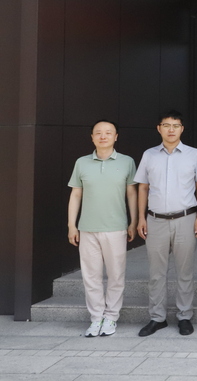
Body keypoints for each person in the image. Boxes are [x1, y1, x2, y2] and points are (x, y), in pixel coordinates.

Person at [135, 110, 197, 337]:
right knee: (156, 273)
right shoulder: (149, 155)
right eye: (166, 125)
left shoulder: (194, 154)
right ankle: (157, 318)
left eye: (175, 126)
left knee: (184, 271)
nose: (171, 129)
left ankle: (184, 316)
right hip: (155, 220)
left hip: (185, 219)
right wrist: (141, 218)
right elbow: (143, 188)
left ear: (182, 129)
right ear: (159, 128)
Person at [67, 120, 138, 337]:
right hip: (87, 228)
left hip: (116, 228)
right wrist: (72, 225)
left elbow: (132, 194)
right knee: (91, 276)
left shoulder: (127, 162)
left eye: (108, 132)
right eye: (98, 133)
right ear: (92, 137)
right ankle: (96, 318)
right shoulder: (82, 163)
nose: (103, 136)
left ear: (116, 137)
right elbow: (76, 194)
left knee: (116, 275)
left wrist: (133, 221)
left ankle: (111, 317)